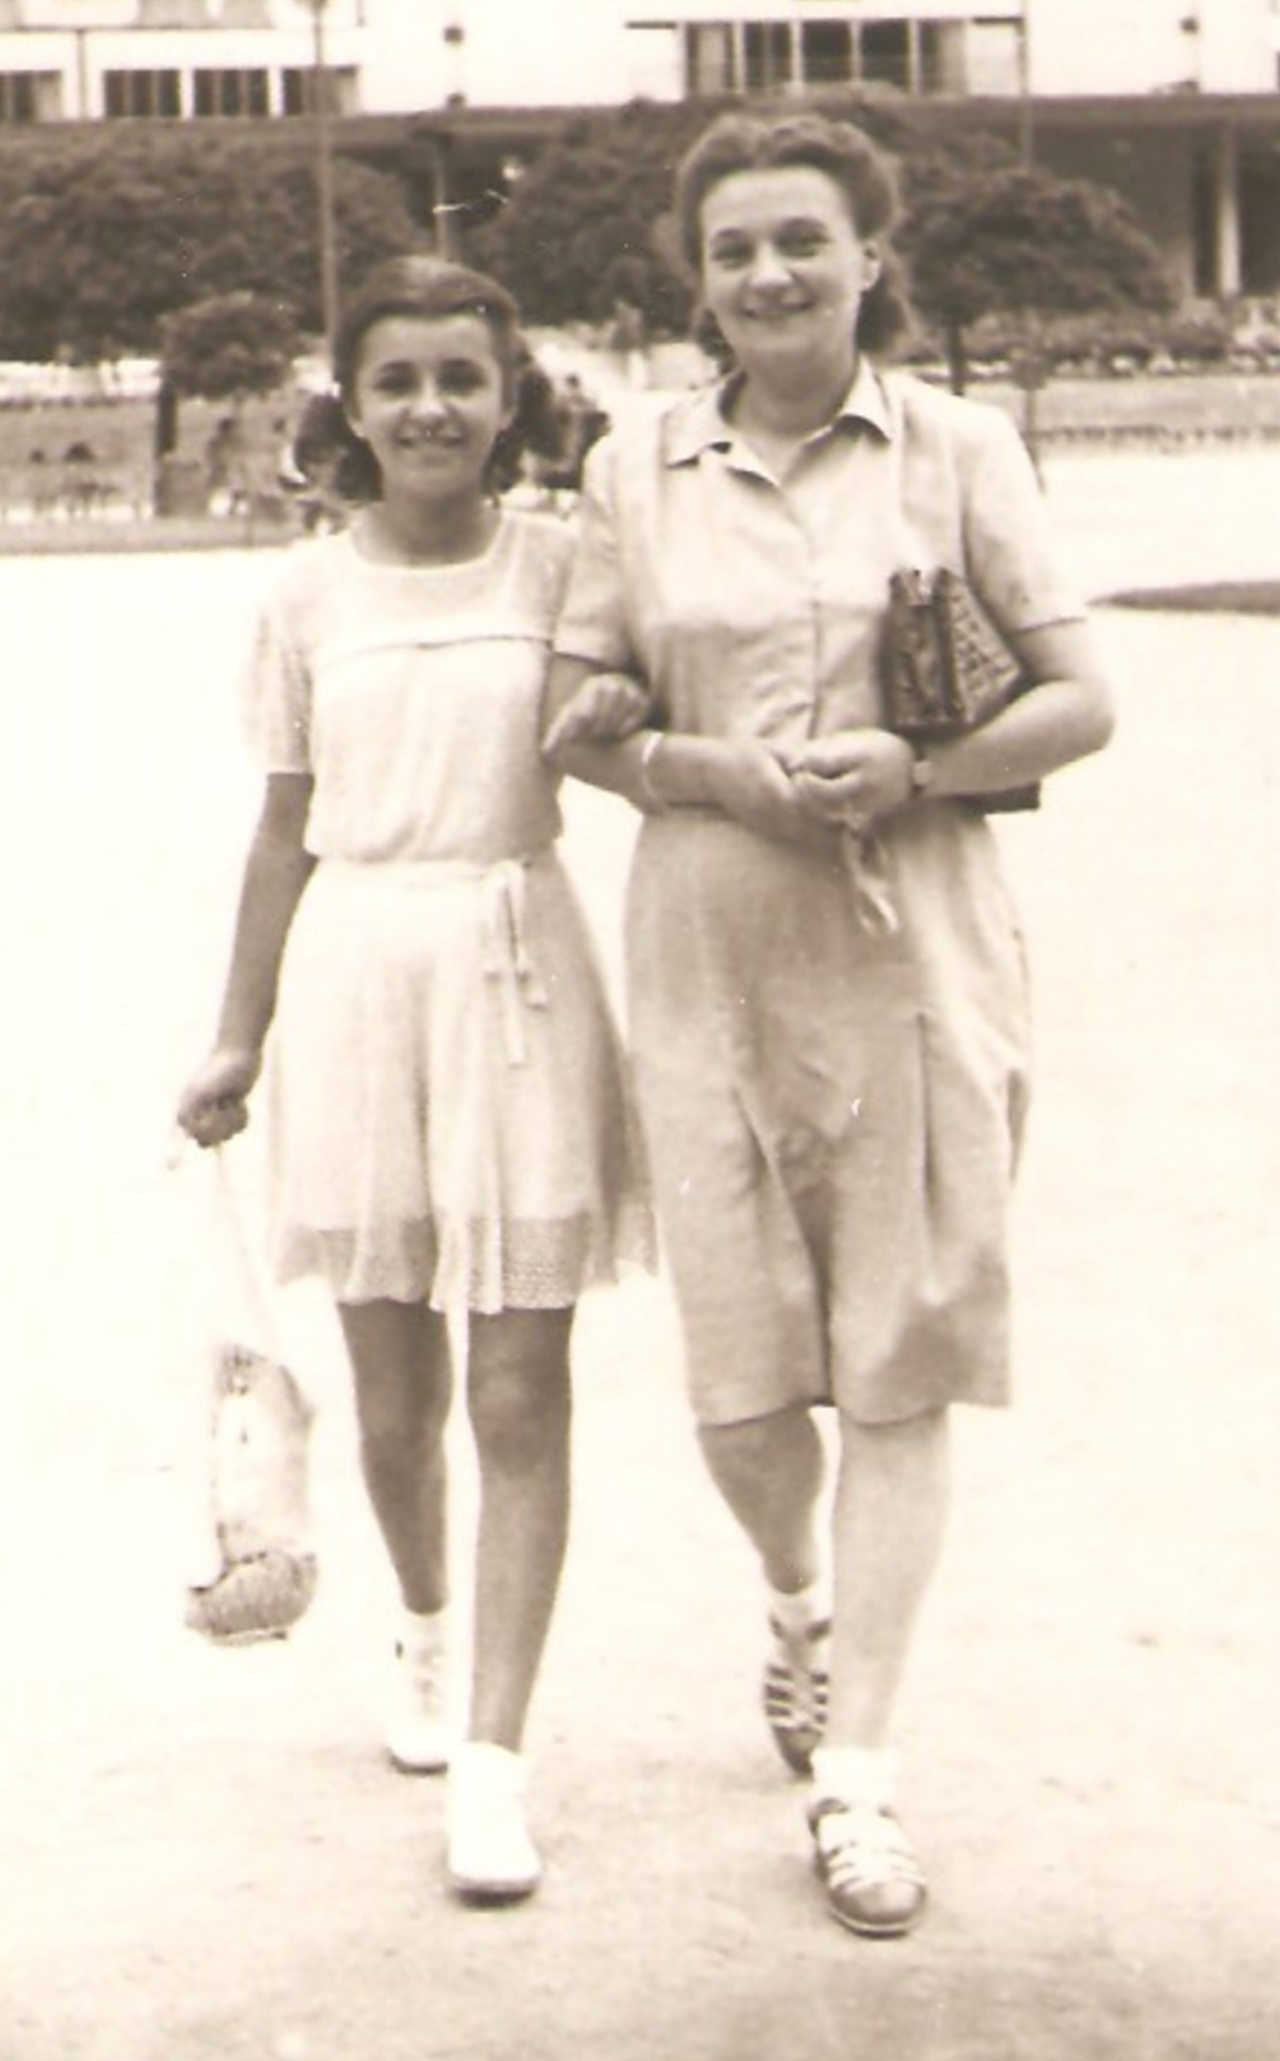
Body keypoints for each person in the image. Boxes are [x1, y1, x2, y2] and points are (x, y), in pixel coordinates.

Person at [540, 112, 1115, 1939]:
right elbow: (579, 717)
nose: (770, 274)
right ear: (694, 281)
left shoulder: (959, 451)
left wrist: (918, 764)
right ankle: (798, 1595)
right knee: (740, 1385)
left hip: (913, 943)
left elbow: (1082, 698)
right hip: (711, 947)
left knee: (899, 1361)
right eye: (733, 250)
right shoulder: (633, 467)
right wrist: (711, 767)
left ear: (872, 257)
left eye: (804, 239)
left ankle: (858, 1775)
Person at [176, 256, 650, 1905]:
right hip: (359, 978)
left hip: (518, 964)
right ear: (354, 409)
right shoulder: (304, 595)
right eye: (400, 381)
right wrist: (236, 1034)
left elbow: (628, 728)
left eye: (464, 377)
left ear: (511, 400)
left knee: (520, 1391)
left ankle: (498, 1766)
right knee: (394, 1403)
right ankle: (428, 1630)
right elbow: (282, 830)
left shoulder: (568, 562)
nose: (433, 407)